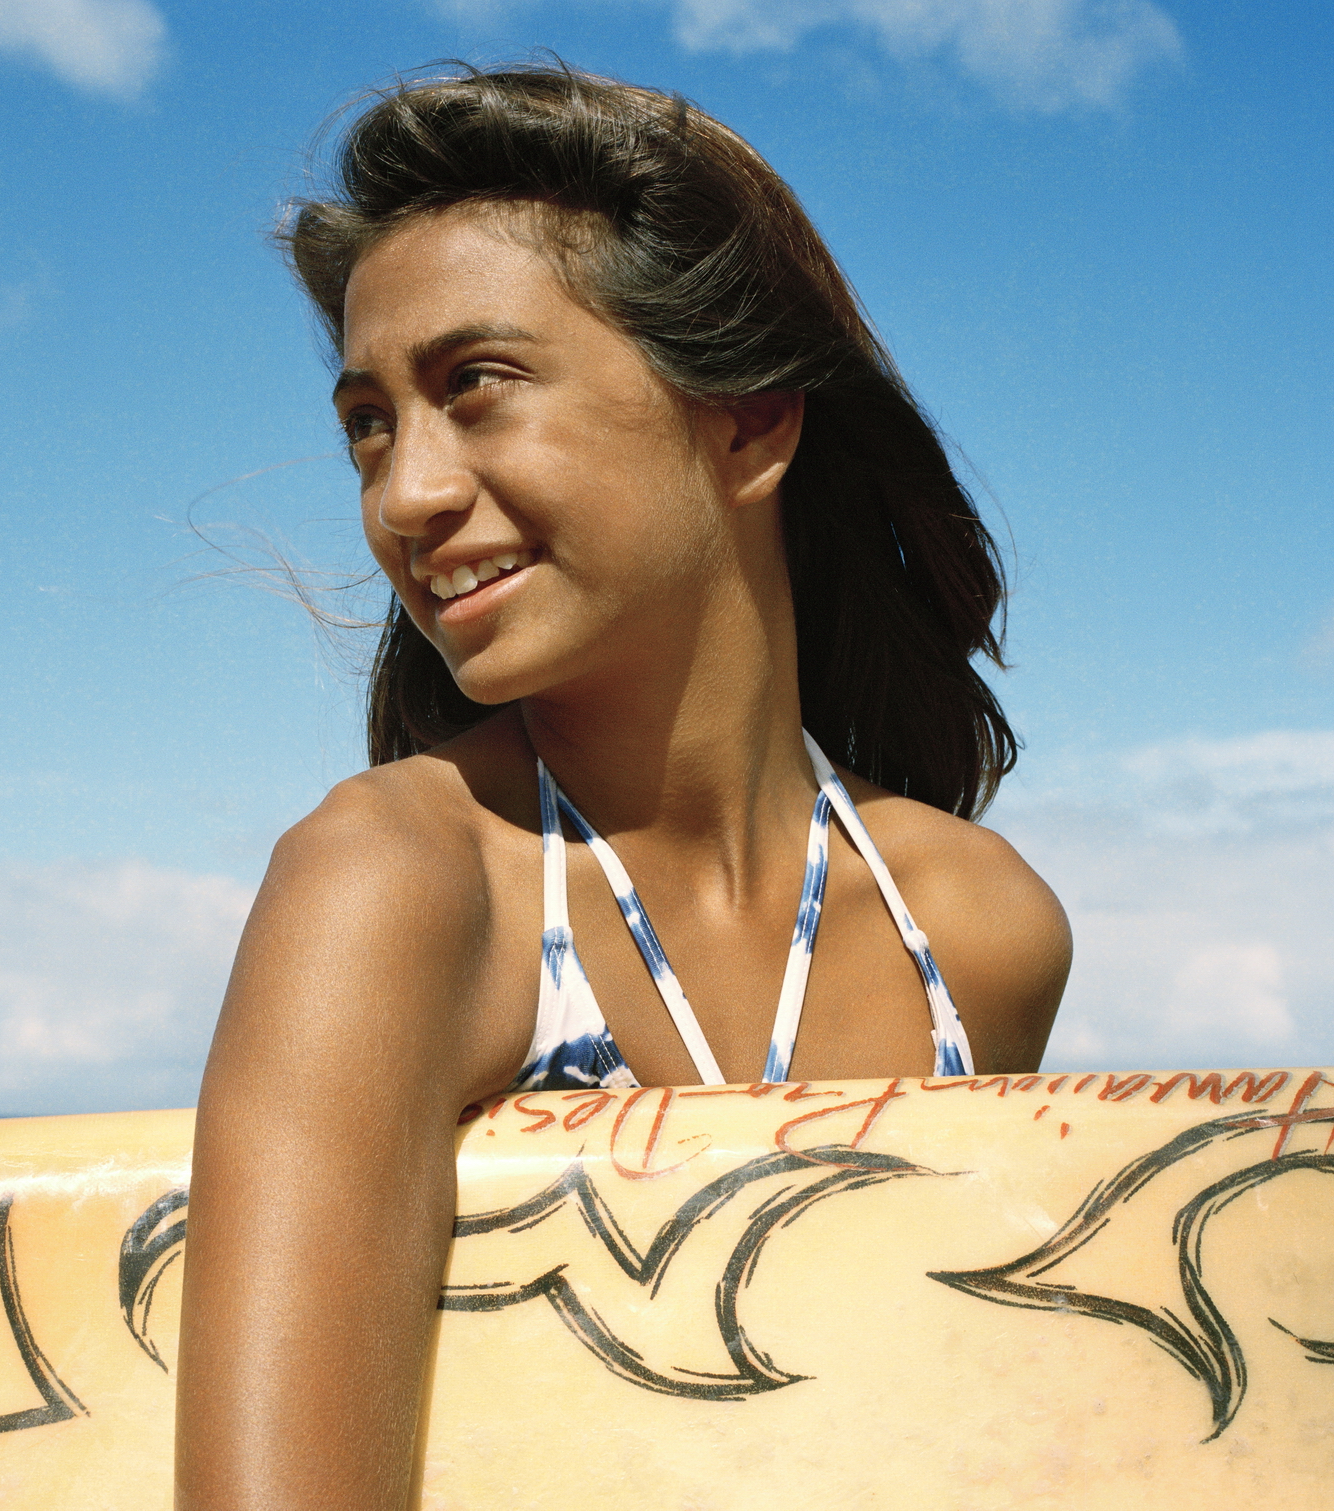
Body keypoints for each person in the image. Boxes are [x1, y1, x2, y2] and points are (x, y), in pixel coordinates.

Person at [174, 61, 1071, 1511]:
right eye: (370, 421)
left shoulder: (972, 927)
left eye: (477, 389)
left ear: (747, 424)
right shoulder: (408, 884)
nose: (405, 494)